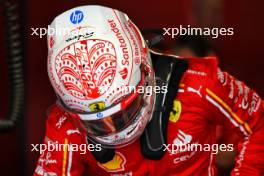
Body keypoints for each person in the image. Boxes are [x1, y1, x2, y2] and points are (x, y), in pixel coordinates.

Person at [34, 5, 264, 176]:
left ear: (145, 71)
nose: (113, 129)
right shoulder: (64, 124)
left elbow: (259, 124)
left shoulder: (200, 83)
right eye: (96, 123)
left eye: (120, 114)